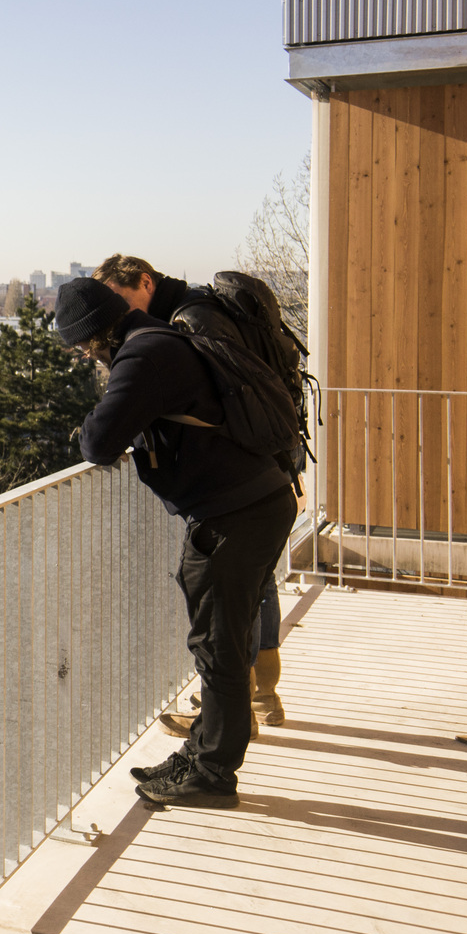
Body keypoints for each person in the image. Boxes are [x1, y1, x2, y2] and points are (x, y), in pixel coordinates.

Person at [55, 276, 295, 808]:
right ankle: (201, 751)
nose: (84, 358)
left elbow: (97, 441)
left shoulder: (143, 358)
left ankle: (212, 773)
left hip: (234, 515)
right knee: (220, 642)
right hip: (254, 504)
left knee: (218, 647)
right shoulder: (162, 338)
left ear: (93, 339)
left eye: (81, 348)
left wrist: (93, 423)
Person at [94, 255, 286, 729]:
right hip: (265, 455)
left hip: (243, 467)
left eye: (119, 303)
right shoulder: (197, 309)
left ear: (145, 282)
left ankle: (233, 711)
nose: (116, 319)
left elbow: (224, 390)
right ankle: (258, 698)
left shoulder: (188, 320)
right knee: (252, 586)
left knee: (232, 600)